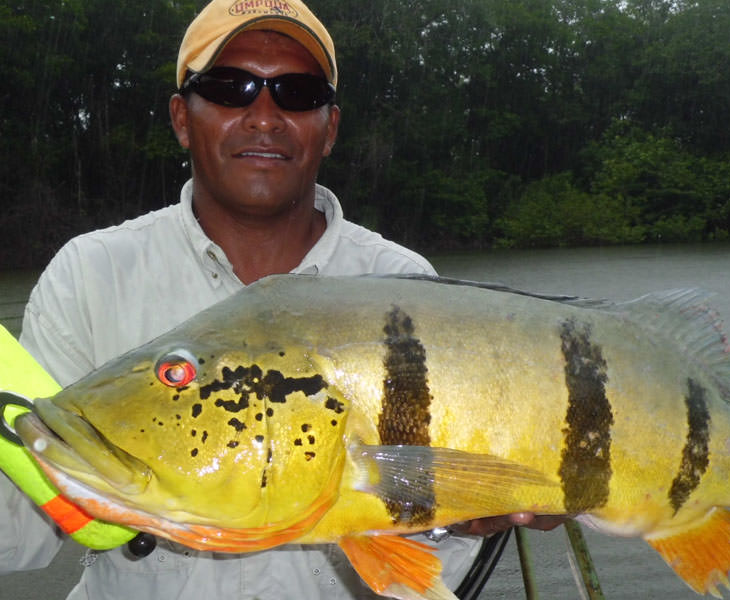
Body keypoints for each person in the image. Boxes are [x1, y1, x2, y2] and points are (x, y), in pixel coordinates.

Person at [0, 1, 560, 598]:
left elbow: (425, 561)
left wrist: (468, 513)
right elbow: (21, 533)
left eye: (296, 93)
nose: (263, 116)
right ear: (182, 119)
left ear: (330, 128)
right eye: (229, 87)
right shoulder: (91, 275)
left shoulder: (400, 283)